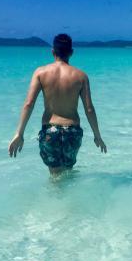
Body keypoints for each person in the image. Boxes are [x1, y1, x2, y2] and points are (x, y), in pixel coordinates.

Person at [8, 33, 107, 175]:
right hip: (72, 132)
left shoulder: (40, 73)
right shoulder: (81, 76)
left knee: (55, 177)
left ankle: (54, 198)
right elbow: (89, 109)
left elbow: (29, 104)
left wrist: (19, 133)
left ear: (52, 52)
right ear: (71, 53)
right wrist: (97, 136)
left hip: (50, 131)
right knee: (68, 174)